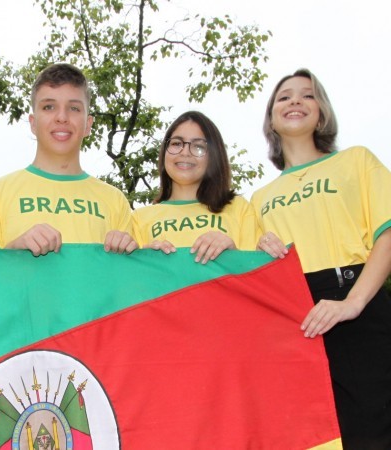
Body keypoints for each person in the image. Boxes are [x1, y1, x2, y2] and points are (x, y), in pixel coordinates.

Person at [252, 68, 391, 448]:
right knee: (315, 434)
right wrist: (259, 248)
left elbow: (387, 234)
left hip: (354, 301)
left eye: (307, 95)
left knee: (372, 428)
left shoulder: (357, 161)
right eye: (284, 97)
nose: (295, 101)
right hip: (294, 316)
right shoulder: (259, 199)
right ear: (271, 118)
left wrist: (353, 303)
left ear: (322, 112)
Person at [0, 63, 136, 255]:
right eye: (49, 107)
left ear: (88, 125)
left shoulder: (116, 201)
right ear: (33, 123)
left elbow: (128, 282)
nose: (62, 117)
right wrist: (13, 251)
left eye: (74, 108)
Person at [133, 111, 258, 263]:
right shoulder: (138, 219)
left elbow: (256, 275)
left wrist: (233, 254)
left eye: (198, 146)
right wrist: (145, 261)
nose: (185, 152)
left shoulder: (239, 208)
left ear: (213, 156)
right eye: (176, 143)